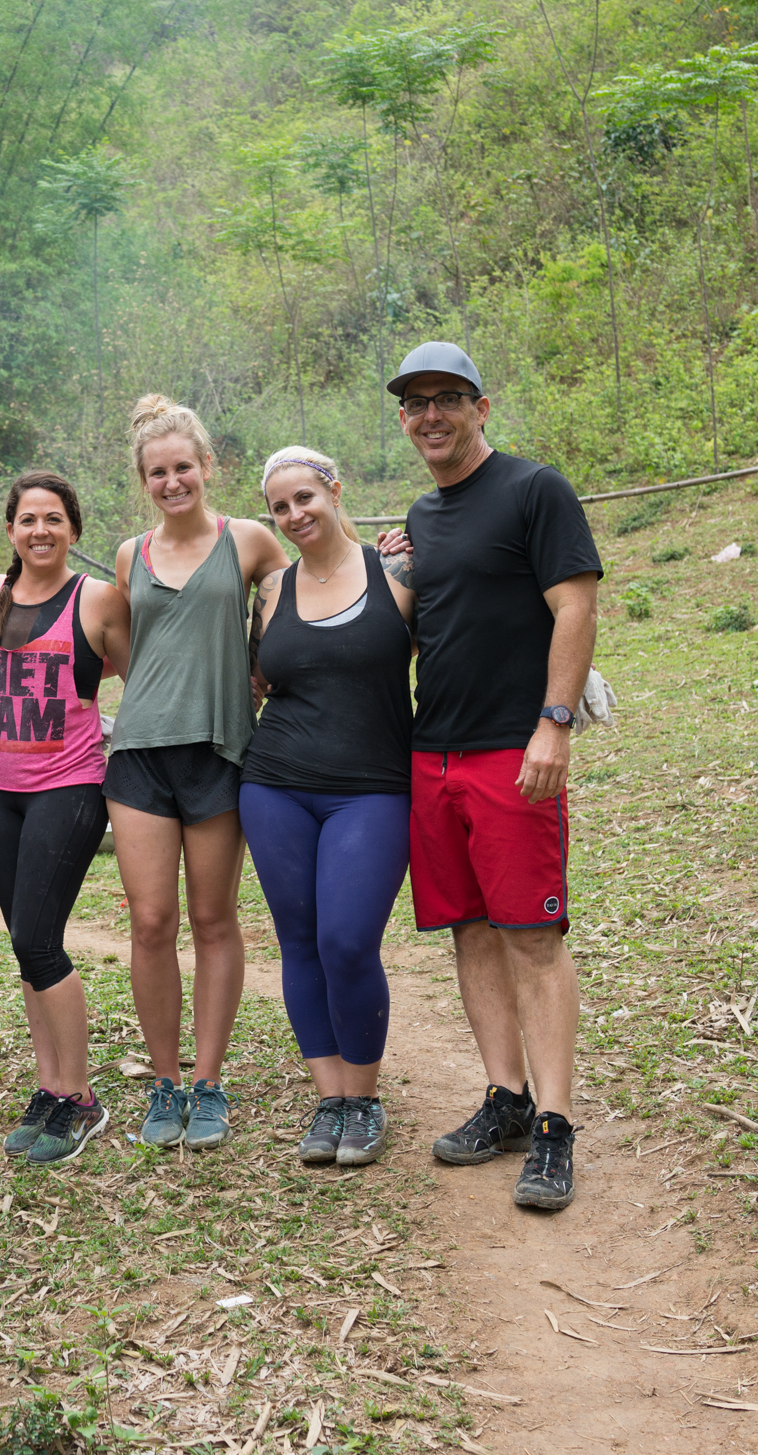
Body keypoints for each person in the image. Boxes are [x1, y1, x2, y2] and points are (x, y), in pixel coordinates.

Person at [388, 341, 601, 1212]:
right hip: (428, 755)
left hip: (509, 756)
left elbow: (576, 604)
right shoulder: (423, 516)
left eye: (447, 398)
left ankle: (554, 1124)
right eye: (414, 403)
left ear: (482, 405)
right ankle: (504, 1097)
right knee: (470, 930)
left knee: (530, 936)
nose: (430, 415)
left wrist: (552, 725)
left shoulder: (533, 489)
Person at [107, 396, 287, 1150]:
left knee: (214, 920)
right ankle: (163, 1081)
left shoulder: (250, 541)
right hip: (140, 752)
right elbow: (123, 645)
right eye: (158, 472)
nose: (173, 480)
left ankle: (208, 1081)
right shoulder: (128, 554)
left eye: (184, 466)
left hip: (220, 750)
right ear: (143, 480)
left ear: (208, 467)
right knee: (151, 922)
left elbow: (292, 609)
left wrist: (256, 665)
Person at [240, 446, 415, 1168]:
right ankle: (330, 1097)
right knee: (300, 939)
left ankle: (365, 1098)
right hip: (275, 782)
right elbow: (254, 679)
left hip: (373, 787)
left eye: (306, 497)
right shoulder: (273, 589)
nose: (295, 514)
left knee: (347, 939)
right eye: (281, 506)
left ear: (336, 491)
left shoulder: (400, 570)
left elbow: (464, 640)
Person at [0, 472, 131, 1167]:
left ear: (73, 529)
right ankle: (49, 1087)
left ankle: (83, 1096)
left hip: (69, 787)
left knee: (38, 939)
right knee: (25, 945)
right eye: (28, 518)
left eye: (54, 519)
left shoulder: (96, 599)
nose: (40, 530)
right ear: (10, 530)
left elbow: (143, 676)